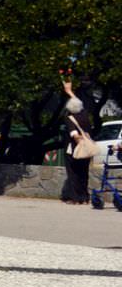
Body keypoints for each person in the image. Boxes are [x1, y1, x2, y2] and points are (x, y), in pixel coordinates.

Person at [61, 77, 95, 206]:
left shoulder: (70, 118)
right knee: (84, 173)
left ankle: (75, 198)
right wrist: (69, 91)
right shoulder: (84, 115)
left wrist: (78, 139)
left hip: (74, 149)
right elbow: (78, 103)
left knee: (73, 173)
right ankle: (85, 197)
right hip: (87, 149)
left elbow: (73, 134)